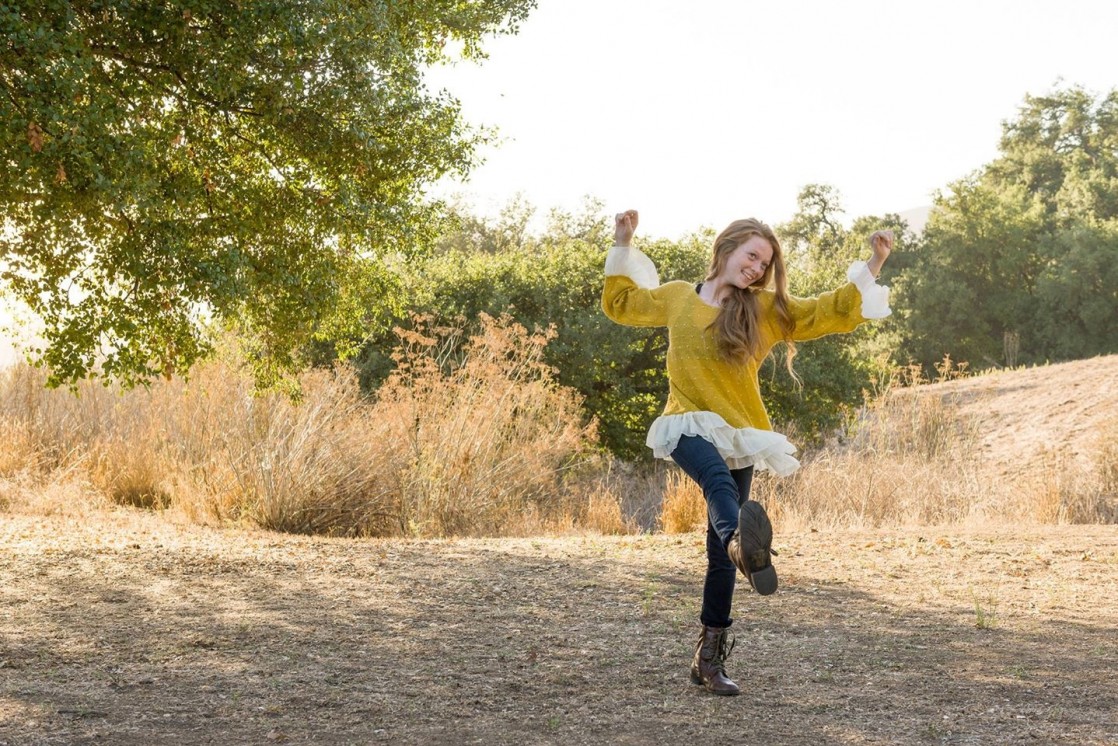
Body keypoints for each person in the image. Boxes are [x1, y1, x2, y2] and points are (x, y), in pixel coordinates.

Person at [601, 210, 893, 696]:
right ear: (726, 249)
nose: (757, 268)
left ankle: (708, 660)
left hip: (739, 432)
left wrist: (874, 262)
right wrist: (622, 239)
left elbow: (824, 311)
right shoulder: (677, 297)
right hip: (687, 423)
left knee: (719, 556)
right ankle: (743, 542)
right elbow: (622, 304)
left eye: (765, 263)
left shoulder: (759, 309)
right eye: (752, 256)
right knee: (717, 487)